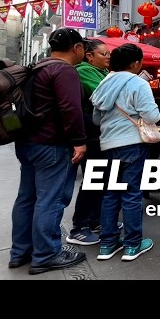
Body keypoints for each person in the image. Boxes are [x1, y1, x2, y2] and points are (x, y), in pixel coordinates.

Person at [9, 27, 88, 275]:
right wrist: (79, 141)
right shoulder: (64, 71)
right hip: (52, 146)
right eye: (83, 48)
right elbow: (70, 109)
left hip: (28, 143)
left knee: (27, 198)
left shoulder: (37, 67)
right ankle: (46, 254)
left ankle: (20, 252)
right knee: (51, 199)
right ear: (76, 48)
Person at [90, 43, 160, 262]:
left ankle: (107, 244)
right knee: (131, 194)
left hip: (108, 144)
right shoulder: (138, 83)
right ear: (136, 63)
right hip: (132, 144)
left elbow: (96, 119)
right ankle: (132, 244)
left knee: (111, 194)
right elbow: (152, 116)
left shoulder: (104, 82)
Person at [66, 39, 112, 246]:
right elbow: (104, 97)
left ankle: (95, 221)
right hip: (91, 136)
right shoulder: (83, 71)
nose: (108, 57)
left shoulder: (103, 73)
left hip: (102, 135)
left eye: (109, 54)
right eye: (104, 54)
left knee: (102, 180)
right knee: (93, 180)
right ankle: (80, 227)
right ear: (89, 56)